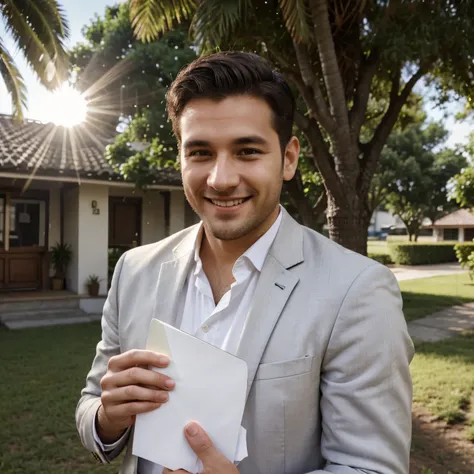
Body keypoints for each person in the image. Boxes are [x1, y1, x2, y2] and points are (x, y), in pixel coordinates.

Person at [76, 51, 414, 474]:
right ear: (180, 157)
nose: (220, 178)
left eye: (247, 151)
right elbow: (92, 407)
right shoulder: (134, 270)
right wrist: (109, 418)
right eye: (199, 152)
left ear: (288, 158)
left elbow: (373, 467)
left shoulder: (358, 291)